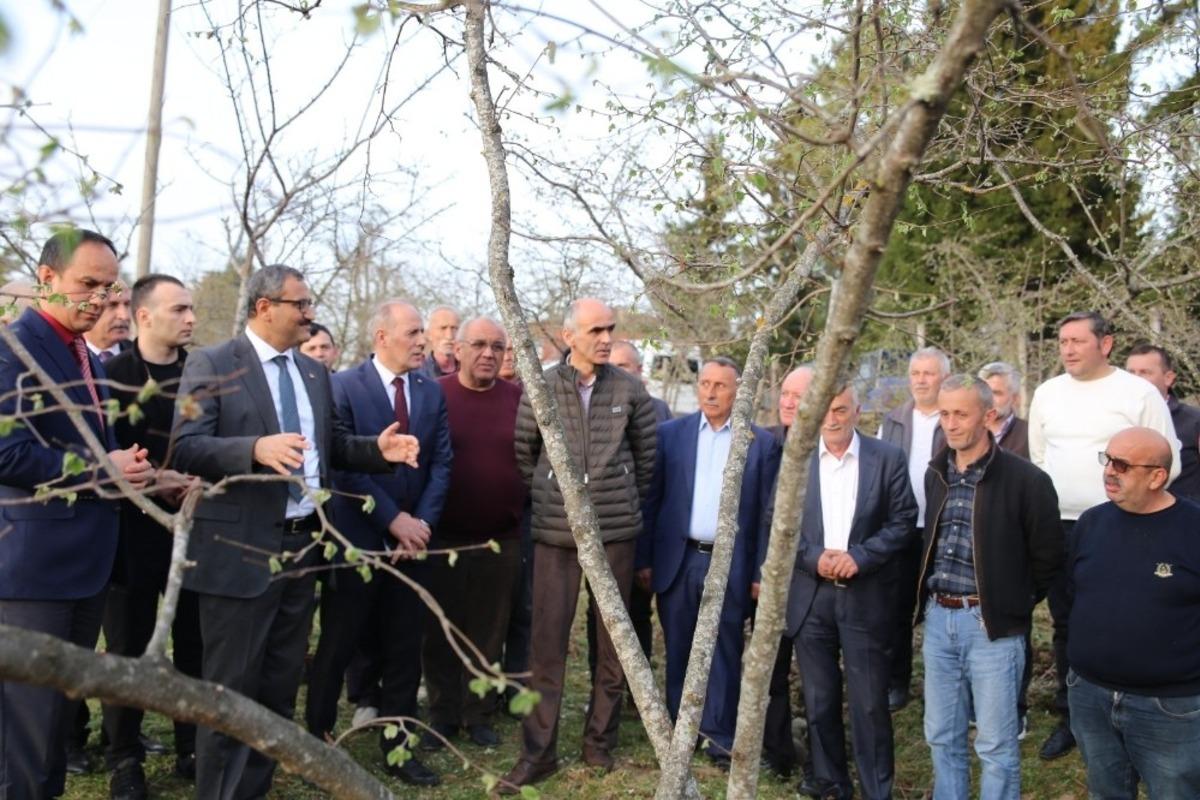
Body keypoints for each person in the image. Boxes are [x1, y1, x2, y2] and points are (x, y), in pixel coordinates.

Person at [172, 265, 419, 799]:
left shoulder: (313, 374)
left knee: (279, 688)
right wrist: (252, 450)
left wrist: (376, 451)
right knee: (229, 693)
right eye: (300, 304)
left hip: (304, 546)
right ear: (264, 307)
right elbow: (186, 444)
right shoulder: (214, 363)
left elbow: (329, 447)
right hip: (238, 554)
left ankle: (254, 789)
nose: (310, 314)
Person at [0, 228, 153, 800]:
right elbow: (6, 451)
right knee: (26, 730)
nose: (99, 299)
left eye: (108, 287)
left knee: (57, 724)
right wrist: (100, 468)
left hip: (87, 566)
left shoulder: (83, 353)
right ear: (46, 280)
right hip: (34, 570)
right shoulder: (12, 349)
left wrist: (136, 472)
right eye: (86, 285)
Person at [501, 298, 657, 793]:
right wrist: (556, 497)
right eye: (595, 330)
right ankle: (538, 754)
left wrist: (615, 499)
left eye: (610, 329)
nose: (606, 338)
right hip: (555, 535)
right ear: (570, 336)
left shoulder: (631, 389)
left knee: (613, 645)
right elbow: (526, 454)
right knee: (546, 646)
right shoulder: (542, 386)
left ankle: (599, 744)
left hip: (615, 533)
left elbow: (647, 460)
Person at [305, 299, 451, 787]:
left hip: (414, 545)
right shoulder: (343, 387)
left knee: (405, 648)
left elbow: (441, 463)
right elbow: (343, 464)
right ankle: (317, 743)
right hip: (359, 541)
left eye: (421, 333)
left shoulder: (431, 392)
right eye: (411, 333)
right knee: (340, 643)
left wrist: (421, 524)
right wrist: (393, 521)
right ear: (382, 337)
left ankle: (398, 748)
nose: (421, 341)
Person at [1027, 310, 1181, 760]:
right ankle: (1072, 714)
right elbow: (1039, 456)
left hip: (1123, 522)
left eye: (1077, 341)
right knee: (1066, 620)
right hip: (1061, 525)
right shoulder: (1048, 393)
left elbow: (1166, 458)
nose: (1068, 350)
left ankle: (1139, 708)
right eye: (1062, 342)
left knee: (1126, 612)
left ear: (1106, 344)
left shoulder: (1136, 393)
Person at [917, 375, 1063, 800]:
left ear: (989, 415)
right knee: (942, 736)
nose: (951, 423)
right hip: (939, 620)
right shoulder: (936, 473)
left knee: (996, 745)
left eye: (961, 414)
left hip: (992, 627)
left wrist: (1008, 604)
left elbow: (1048, 559)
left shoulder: (1027, 481)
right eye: (944, 414)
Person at [636, 357, 777, 768]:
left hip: (729, 563)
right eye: (705, 384)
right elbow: (652, 500)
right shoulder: (671, 435)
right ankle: (681, 732)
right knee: (678, 643)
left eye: (721, 385)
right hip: (678, 560)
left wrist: (758, 574)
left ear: (739, 391)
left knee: (723, 650)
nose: (711, 393)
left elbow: (766, 517)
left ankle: (719, 738)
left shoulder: (760, 443)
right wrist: (645, 558)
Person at [786, 383, 916, 800]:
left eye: (841, 409)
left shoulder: (887, 458)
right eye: (825, 409)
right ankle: (832, 784)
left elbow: (903, 521)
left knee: (870, 703)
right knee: (819, 699)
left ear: (857, 411)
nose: (832, 418)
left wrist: (861, 556)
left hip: (865, 595)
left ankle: (877, 789)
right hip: (813, 596)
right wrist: (812, 558)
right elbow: (779, 522)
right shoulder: (797, 460)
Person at [100, 274, 201, 797]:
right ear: (144, 315)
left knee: (193, 644)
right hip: (130, 534)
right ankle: (123, 757)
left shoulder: (200, 373)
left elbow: (217, 440)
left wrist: (200, 481)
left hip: (192, 529)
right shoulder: (112, 374)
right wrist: (154, 479)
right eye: (179, 309)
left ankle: (191, 745)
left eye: (192, 309)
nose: (190, 318)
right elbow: (103, 452)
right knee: (128, 646)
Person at [1066, 427, 1200, 799]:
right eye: (1107, 460)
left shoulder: (1193, 529)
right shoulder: (1090, 523)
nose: (1109, 470)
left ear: (1157, 476)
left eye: (1122, 465)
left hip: (1169, 707)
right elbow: (1072, 593)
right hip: (1090, 695)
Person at [421, 317, 526, 749]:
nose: (488, 353)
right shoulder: (435, 395)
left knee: (489, 630)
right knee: (441, 627)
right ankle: (443, 713)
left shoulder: (520, 400)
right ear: (457, 350)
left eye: (497, 346)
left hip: (501, 537)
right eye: (479, 344)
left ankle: (477, 712)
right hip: (442, 536)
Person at [584, 339, 668, 695]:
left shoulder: (660, 412)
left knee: (637, 614)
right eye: (611, 366)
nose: (617, 374)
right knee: (599, 614)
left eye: (625, 366)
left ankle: (639, 693)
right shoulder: (594, 410)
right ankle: (600, 689)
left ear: (639, 372)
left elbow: (658, 480)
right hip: (606, 533)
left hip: (645, 534)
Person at [878, 346, 948, 711]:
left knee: (943, 607)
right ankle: (897, 681)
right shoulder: (892, 420)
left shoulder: (953, 419)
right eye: (916, 373)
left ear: (944, 378)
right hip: (901, 528)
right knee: (896, 610)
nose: (921, 380)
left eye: (929, 373)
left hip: (943, 528)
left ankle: (947, 684)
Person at [762, 365, 814, 778]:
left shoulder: (828, 450)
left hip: (816, 583)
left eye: (799, 395)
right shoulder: (764, 444)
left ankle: (822, 759)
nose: (788, 401)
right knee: (770, 674)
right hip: (768, 584)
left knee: (818, 678)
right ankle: (777, 755)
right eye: (785, 392)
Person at [1125, 343, 1200, 501]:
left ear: (1168, 378)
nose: (1136, 380)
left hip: (1182, 516)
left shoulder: (1194, 421)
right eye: (1131, 373)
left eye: (1145, 372)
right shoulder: (1116, 419)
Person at [977, 361, 1029, 458]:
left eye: (996, 393)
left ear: (1014, 398)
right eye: (985, 391)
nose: (989, 398)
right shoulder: (967, 429)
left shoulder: (1028, 435)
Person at [83, 283, 132, 363]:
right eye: (112, 305)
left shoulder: (142, 358)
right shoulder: (66, 356)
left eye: (127, 304)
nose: (124, 316)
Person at [419, 305, 460, 378]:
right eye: (443, 328)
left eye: (454, 328)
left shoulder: (470, 372)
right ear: (429, 334)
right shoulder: (417, 374)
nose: (449, 336)